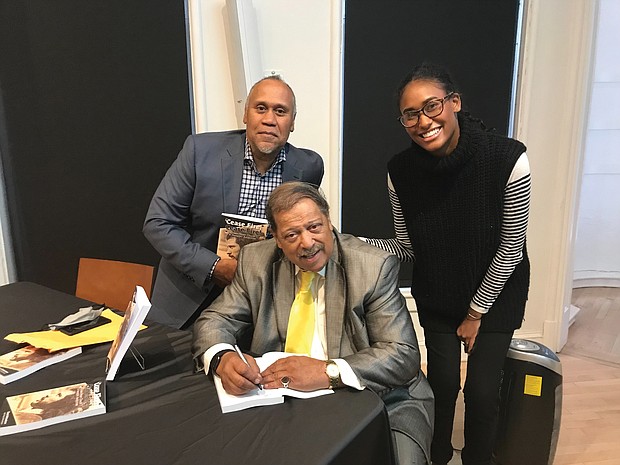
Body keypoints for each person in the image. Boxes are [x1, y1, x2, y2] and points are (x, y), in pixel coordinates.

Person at [193, 181, 434, 465]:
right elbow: (215, 319)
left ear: (329, 222)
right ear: (277, 239)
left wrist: (327, 371)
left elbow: (402, 353)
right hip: (284, 397)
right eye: (292, 234)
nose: (307, 243)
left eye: (314, 227)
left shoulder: (372, 266)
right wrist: (221, 356)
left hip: (379, 395)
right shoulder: (255, 260)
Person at [363, 63, 531, 465]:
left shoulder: (508, 159)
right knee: (438, 385)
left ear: (454, 103)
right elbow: (406, 246)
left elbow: (510, 246)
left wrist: (476, 312)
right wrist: (348, 242)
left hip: (497, 292)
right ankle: (435, 457)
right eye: (410, 114)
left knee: (482, 390)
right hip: (438, 295)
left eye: (432, 106)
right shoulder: (399, 171)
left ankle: (477, 458)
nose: (423, 121)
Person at [143, 76, 324, 329]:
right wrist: (214, 267)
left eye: (280, 111)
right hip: (188, 296)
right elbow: (158, 223)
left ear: (292, 122)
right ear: (245, 115)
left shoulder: (308, 167)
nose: (270, 119)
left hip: (258, 307)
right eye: (261, 108)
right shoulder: (200, 152)